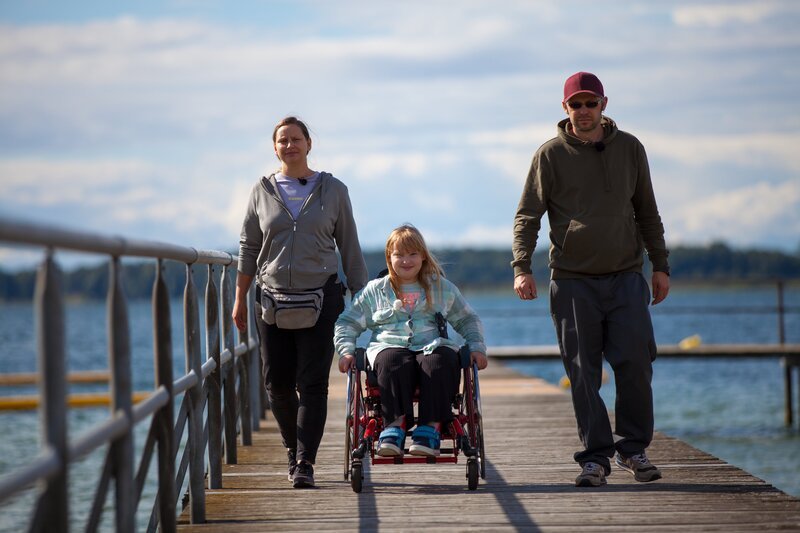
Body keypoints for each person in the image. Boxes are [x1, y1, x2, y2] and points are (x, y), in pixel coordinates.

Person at [511, 72, 671, 487]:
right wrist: (521, 267)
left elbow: (648, 212)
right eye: (576, 104)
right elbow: (528, 216)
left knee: (636, 364)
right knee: (583, 372)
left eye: (591, 103)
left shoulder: (630, 148)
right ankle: (595, 458)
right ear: (565, 108)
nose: (584, 111)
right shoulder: (549, 155)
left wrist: (660, 265)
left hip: (626, 276)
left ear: (604, 104)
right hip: (572, 280)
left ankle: (633, 449)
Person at [233, 116, 368, 488]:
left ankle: (305, 463)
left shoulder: (333, 190)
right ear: (274, 148)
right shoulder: (261, 190)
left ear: (309, 143)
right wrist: (239, 297)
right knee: (276, 384)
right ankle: (293, 451)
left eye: (296, 139)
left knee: (312, 383)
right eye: (283, 140)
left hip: (322, 297)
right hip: (271, 299)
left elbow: (349, 244)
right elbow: (248, 247)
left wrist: (362, 297)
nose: (289, 145)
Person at [335, 224, 488, 457]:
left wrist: (476, 346)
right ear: (389, 257)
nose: (406, 260)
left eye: (413, 254)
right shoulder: (374, 291)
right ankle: (394, 426)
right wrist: (346, 350)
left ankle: (431, 427)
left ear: (423, 256)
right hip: (389, 345)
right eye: (399, 254)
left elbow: (468, 319)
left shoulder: (441, 287)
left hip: (432, 345)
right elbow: (347, 322)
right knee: (392, 360)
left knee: (439, 361)